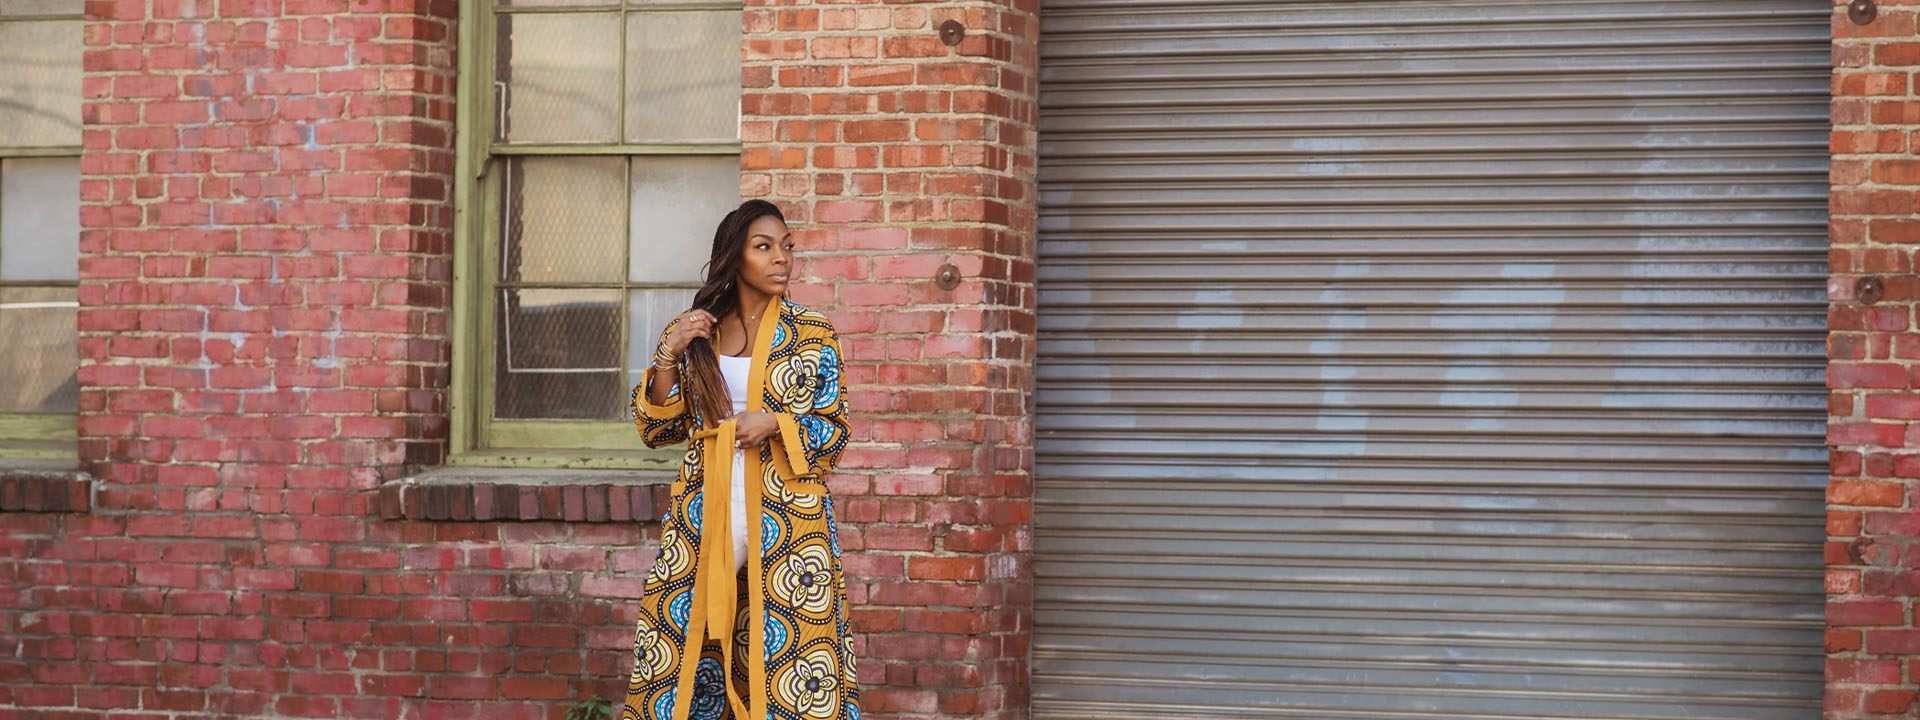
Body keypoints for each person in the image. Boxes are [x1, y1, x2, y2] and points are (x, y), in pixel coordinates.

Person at [621, 199, 860, 720]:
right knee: (684, 649)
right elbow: (657, 428)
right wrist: (668, 354)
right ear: (735, 257)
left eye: (787, 246)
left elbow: (835, 432)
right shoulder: (697, 333)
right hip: (705, 511)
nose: (782, 258)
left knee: (792, 659)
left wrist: (776, 424)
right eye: (764, 247)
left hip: (788, 520)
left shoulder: (812, 334)